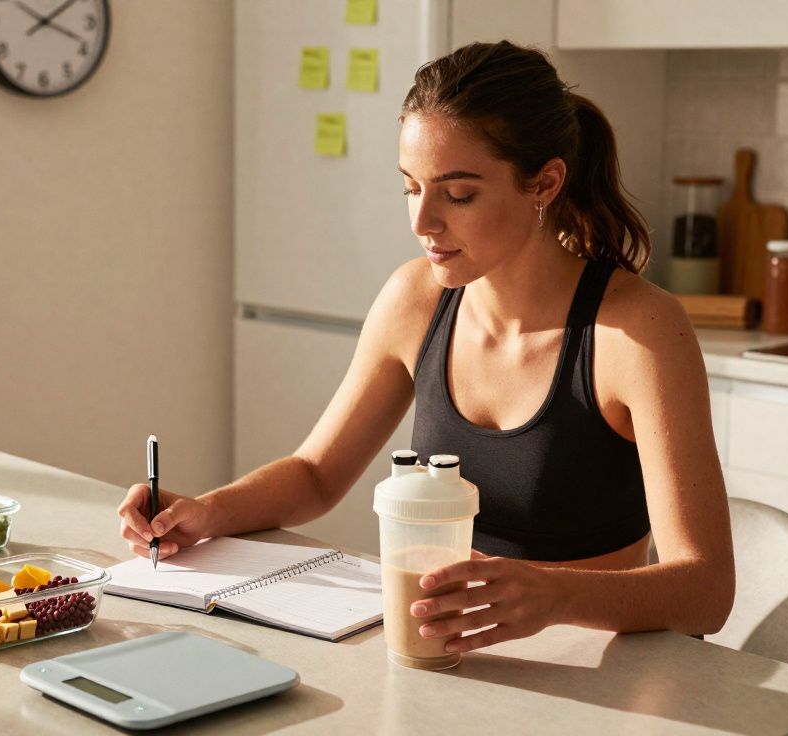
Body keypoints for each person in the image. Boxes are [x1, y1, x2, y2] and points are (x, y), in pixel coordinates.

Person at [117, 41, 734, 653]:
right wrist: (205, 512)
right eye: (411, 187)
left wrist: (554, 594)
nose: (422, 221)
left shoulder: (638, 331)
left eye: (457, 194)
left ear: (544, 182)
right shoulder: (416, 299)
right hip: (445, 654)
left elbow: (706, 588)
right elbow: (314, 476)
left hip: (599, 669)